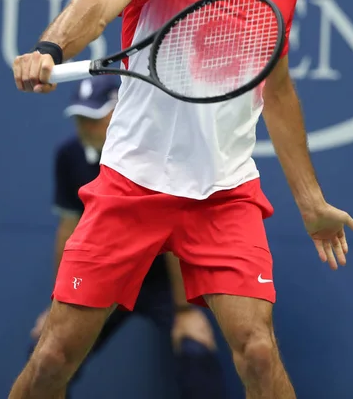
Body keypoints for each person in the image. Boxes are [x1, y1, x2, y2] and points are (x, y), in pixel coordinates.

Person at [10, 0, 353, 399]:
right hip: (132, 186)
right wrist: (51, 48)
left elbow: (274, 88)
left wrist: (311, 203)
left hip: (224, 193)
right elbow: (99, 2)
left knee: (257, 351)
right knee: (53, 356)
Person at [29, 75, 227, 399]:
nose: (84, 126)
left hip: (166, 276)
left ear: (120, 111)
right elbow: (69, 231)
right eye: (80, 117)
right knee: (46, 352)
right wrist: (58, 304)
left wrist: (185, 310)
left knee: (195, 350)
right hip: (107, 272)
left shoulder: (161, 154)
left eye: (94, 118)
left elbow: (176, 238)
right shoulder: (70, 155)